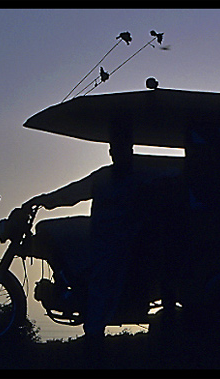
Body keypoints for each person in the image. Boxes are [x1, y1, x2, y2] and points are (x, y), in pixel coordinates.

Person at [19, 125, 148, 342]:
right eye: (114, 149)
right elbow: (73, 192)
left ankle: (93, 334)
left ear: (130, 150)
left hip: (114, 244)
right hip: (99, 236)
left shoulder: (138, 179)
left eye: (122, 148)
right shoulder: (104, 177)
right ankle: (66, 282)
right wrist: (43, 200)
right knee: (48, 230)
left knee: (100, 287)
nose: (117, 153)